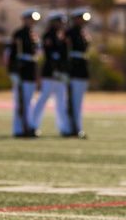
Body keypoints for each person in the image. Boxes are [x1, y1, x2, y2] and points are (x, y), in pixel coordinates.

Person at [30, 11, 71, 137]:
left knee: (61, 103)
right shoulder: (49, 35)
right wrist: (56, 70)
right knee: (43, 99)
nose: (60, 24)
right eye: (58, 22)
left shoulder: (61, 37)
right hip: (50, 74)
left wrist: (63, 71)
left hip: (60, 76)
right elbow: (49, 56)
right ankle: (32, 125)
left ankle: (64, 128)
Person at [8, 8, 40, 138]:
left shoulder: (33, 34)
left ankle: (28, 125)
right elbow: (13, 54)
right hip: (21, 70)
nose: (31, 22)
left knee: (29, 101)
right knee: (20, 101)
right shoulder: (19, 34)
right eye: (29, 19)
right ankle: (18, 129)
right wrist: (13, 71)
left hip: (30, 70)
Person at [64, 8, 91, 139]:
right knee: (73, 102)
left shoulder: (83, 33)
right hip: (73, 70)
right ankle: (71, 127)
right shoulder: (69, 33)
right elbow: (65, 53)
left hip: (82, 70)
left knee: (78, 102)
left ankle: (77, 127)